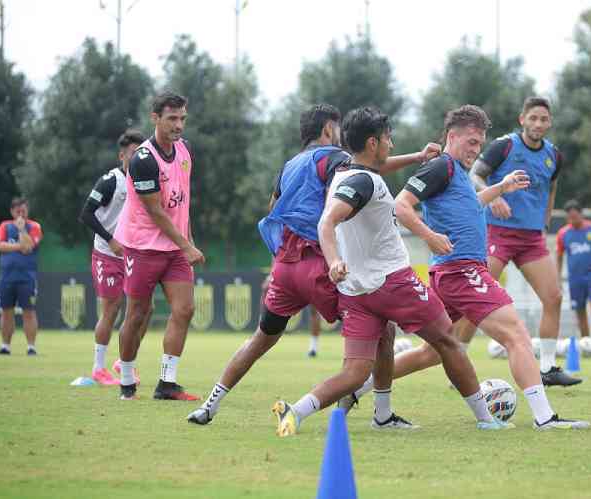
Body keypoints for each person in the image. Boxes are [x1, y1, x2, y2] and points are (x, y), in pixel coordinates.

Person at [187, 104, 440, 425]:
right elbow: (368, 170)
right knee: (380, 327)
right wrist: (417, 157)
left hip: (285, 265)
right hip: (319, 264)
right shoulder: (332, 156)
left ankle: (210, 404)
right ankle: (378, 412)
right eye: (336, 130)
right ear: (327, 131)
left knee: (260, 338)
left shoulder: (289, 165)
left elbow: (273, 209)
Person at [342, 105, 590, 430]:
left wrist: (500, 188)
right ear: (451, 136)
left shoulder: (456, 171)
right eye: (471, 142)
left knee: (431, 353)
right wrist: (429, 236)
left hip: (452, 274)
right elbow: (400, 206)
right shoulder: (440, 167)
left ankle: (354, 389)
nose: (476, 149)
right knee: (516, 334)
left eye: (480, 143)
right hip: (461, 272)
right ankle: (545, 418)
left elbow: (469, 205)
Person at [271, 106, 509, 437]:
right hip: (394, 283)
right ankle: (486, 418)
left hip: (357, 291)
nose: (391, 145)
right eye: (387, 139)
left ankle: (297, 412)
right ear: (372, 143)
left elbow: (356, 192)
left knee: (358, 369)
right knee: (449, 342)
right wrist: (333, 260)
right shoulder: (364, 182)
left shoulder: (342, 173)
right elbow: (328, 222)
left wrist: (417, 157)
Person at [468, 96, 580, 387]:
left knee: (553, 297)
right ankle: (459, 361)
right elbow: (474, 176)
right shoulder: (503, 146)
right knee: (473, 298)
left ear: (549, 122)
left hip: (531, 239)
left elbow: (551, 187)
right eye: (533, 118)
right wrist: (495, 198)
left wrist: (544, 220)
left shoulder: (553, 155)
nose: (538, 124)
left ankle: (547, 369)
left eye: (543, 119)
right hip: (497, 233)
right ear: (522, 120)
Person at [114, 91, 205, 401]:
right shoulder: (142, 159)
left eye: (182, 118)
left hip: (175, 249)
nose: (179, 125)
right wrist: (188, 246)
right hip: (142, 248)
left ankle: (167, 383)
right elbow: (156, 211)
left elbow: (183, 202)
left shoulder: (185, 150)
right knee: (137, 314)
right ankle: (126, 380)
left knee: (185, 309)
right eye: (172, 118)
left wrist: (187, 241)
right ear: (155, 118)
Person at [79, 129, 151, 385]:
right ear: (122, 155)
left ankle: (124, 361)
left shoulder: (146, 181)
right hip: (107, 254)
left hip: (134, 256)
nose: (138, 158)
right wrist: (111, 240)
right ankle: (98, 368)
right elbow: (86, 214)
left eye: (142, 152)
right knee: (111, 309)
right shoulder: (110, 181)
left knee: (146, 309)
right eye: (133, 153)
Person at [556, 200, 591, 355]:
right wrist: (558, 279)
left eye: (575, 216)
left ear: (581, 214)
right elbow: (559, 257)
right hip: (574, 277)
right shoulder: (563, 234)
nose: (573, 220)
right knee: (580, 311)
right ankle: (587, 345)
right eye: (570, 217)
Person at [0, 198, 42, 356]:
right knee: (6, 311)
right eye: (18, 212)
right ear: (12, 212)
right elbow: (0, 246)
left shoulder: (34, 227)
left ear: (27, 211)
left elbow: (29, 247)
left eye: (23, 211)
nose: (21, 215)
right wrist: (19, 246)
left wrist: (22, 231)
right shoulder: (5, 226)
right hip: (6, 277)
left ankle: (31, 347)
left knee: (28, 311)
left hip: (27, 278)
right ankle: (5, 346)